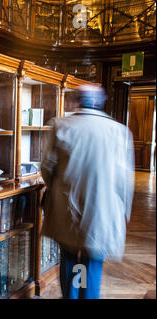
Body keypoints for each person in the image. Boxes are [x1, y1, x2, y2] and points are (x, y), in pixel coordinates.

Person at [40, 84, 135, 299]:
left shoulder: (61, 126)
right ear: (100, 102)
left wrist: (58, 189)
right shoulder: (119, 131)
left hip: (67, 207)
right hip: (103, 211)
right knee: (92, 264)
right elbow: (124, 180)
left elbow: (47, 167)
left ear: (77, 101)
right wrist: (123, 213)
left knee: (70, 258)